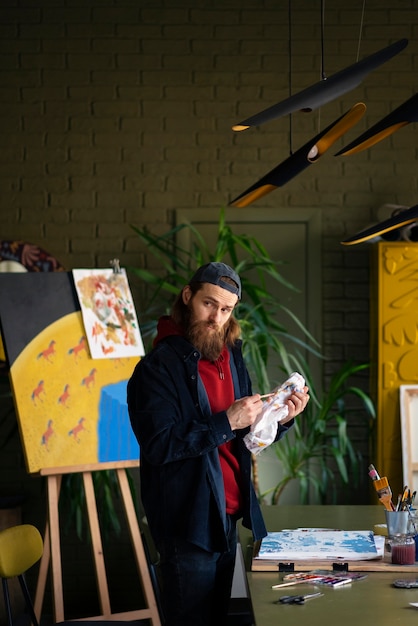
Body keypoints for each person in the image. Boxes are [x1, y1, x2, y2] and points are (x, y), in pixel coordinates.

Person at [127, 262, 309, 626]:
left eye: (226, 310)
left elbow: (243, 438)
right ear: (187, 296)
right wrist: (226, 420)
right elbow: (160, 445)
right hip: (187, 524)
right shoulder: (155, 369)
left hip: (228, 517)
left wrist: (280, 419)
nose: (216, 317)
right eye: (208, 304)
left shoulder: (231, 357)